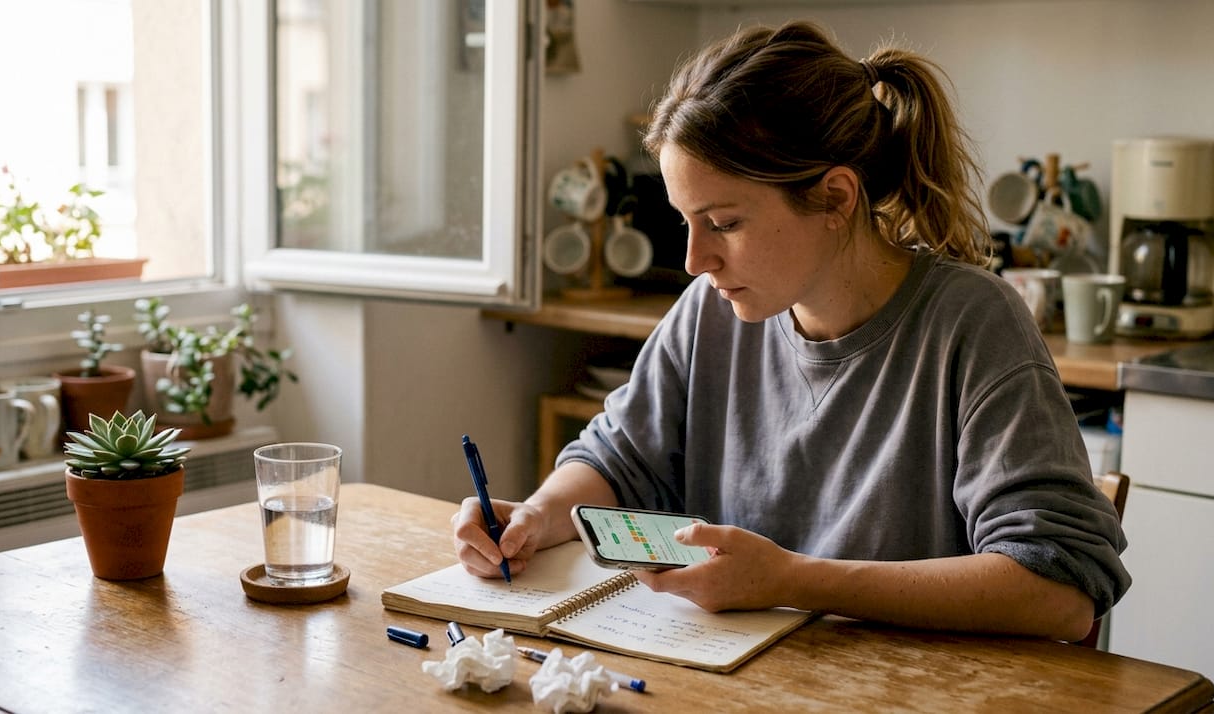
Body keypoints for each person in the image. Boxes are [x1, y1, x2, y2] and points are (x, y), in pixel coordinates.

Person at [452, 20, 1128, 642]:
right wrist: (539, 516)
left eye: (724, 223)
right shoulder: (711, 311)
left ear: (835, 197)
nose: (695, 261)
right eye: (686, 222)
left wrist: (790, 580)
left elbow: (1060, 592)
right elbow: (619, 461)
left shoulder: (973, 324)